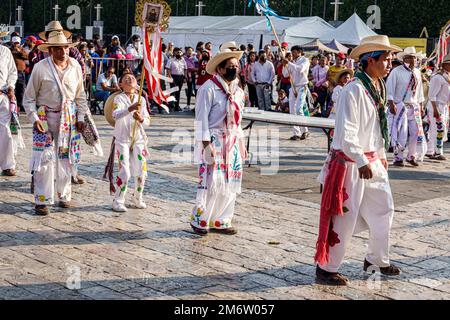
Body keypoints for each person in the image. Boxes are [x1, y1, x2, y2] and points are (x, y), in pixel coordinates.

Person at [315, 35, 402, 286]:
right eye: (386, 59)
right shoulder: (354, 89)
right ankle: (326, 268)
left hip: (371, 160)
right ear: (369, 61)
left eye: (390, 59)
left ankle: (376, 259)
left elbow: (375, 128)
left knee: (384, 209)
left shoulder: (376, 87)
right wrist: (362, 159)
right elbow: (346, 131)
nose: (390, 64)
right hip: (352, 163)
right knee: (344, 216)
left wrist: (381, 155)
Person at [23, 29, 89, 216]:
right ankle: (42, 199)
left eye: (65, 48)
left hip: (68, 118)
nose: (63, 52)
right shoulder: (40, 68)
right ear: (50, 50)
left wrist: (81, 117)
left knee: (65, 158)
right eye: (58, 49)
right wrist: (34, 118)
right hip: (45, 117)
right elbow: (28, 98)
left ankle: (64, 195)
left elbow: (80, 95)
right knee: (44, 158)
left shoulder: (75, 66)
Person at [191, 48, 248, 236]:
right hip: (214, 139)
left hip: (232, 141)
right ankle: (201, 219)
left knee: (231, 181)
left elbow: (238, 121)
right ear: (220, 69)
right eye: (230, 66)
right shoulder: (208, 89)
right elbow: (201, 119)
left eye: (236, 66)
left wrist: (241, 144)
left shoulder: (238, 91)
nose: (234, 69)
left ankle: (222, 219)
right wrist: (206, 146)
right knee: (211, 181)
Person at [110, 73, 151, 212]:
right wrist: (130, 109)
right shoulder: (118, 98)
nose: (129, 79)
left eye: (132, 77)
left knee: (142, 171)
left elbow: (147, 121)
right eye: (125, 78)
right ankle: (118, 200)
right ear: (120, 84)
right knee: (125, 171)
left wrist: (141, 119)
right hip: (122, 139)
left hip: (138, 139)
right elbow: (115, 115)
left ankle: (137, 197)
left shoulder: (142, 100)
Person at [387, 46, 426, 167]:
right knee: (401, 132)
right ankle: (398, 157)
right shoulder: (396, 71)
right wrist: (391, 102)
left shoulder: (417, 72)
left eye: (414, 57)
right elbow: (390, 88)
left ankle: (411, 156)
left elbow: (419, 91)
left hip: (413, 106)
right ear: (404, 59)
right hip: (400, 105)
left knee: (416, 132)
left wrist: (421, 105)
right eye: (410, 57)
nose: (413, 60)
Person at [282, 46, 311, 140]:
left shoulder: (305, 60)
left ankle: (305, 131)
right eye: (292, 52)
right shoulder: (292, 62)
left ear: (299, 52)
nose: (292, 54)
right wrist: (284, 65)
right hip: (293, 87)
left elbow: (300, 69)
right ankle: (296, 133)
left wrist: (289, 63)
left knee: (299, 109)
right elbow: (285, 74)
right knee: (292, 111)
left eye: (294, 52)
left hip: (302, 86)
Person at [425, 54, 450, 160]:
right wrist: (435, 109)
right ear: (444, 64)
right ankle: (437, 152)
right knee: (439, 129)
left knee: (434, 129)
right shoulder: (438, 77)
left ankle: (430, 150)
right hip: (436, 105)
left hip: (443, 106)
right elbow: (432, 95)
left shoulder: (446, 76)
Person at [0, 42, 19, 176]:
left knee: (6, 131)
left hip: (2, 95)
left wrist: (11, 86)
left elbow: (12, 72)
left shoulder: (5, 51)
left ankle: (8, 165)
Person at [10, 36, 28, 112]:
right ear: (12, 43)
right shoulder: (9, 50)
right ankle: (12, 106)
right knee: (12, 89)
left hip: (21, 72)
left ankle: (19, 106)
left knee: (21, 90)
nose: (16, 44)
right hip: (11, 72)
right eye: (15, 43)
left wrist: (20, 51)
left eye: (17, 43)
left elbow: (27, 57)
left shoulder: (22, 49)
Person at [166, 47, 187, 112]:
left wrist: (185, 77)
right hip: (173, 77)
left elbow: (185, 69)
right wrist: (170, 77)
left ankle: (177, 106)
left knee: (178, 92)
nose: (179, 53)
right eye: (177, 52)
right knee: (173, 91)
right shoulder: (171, 59)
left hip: (180, 77)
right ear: (175, 53)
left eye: (180, 52)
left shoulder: (183, 59)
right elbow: (168, 68)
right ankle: (171, 105)